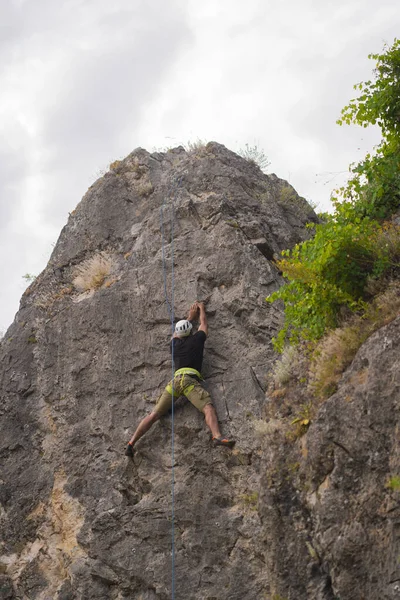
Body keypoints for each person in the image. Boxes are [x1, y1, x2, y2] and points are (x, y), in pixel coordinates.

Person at [125, 301, 235, 457]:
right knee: (208, 408)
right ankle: (217, 436)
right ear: (191, 332)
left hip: (175, 382)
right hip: (189, 382)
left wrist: (189, 317)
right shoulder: (197, 340)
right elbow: (203, 324)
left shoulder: (174, 345)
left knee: (154, 415)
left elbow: (176, 334)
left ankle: (131, 443)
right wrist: (202, 309)